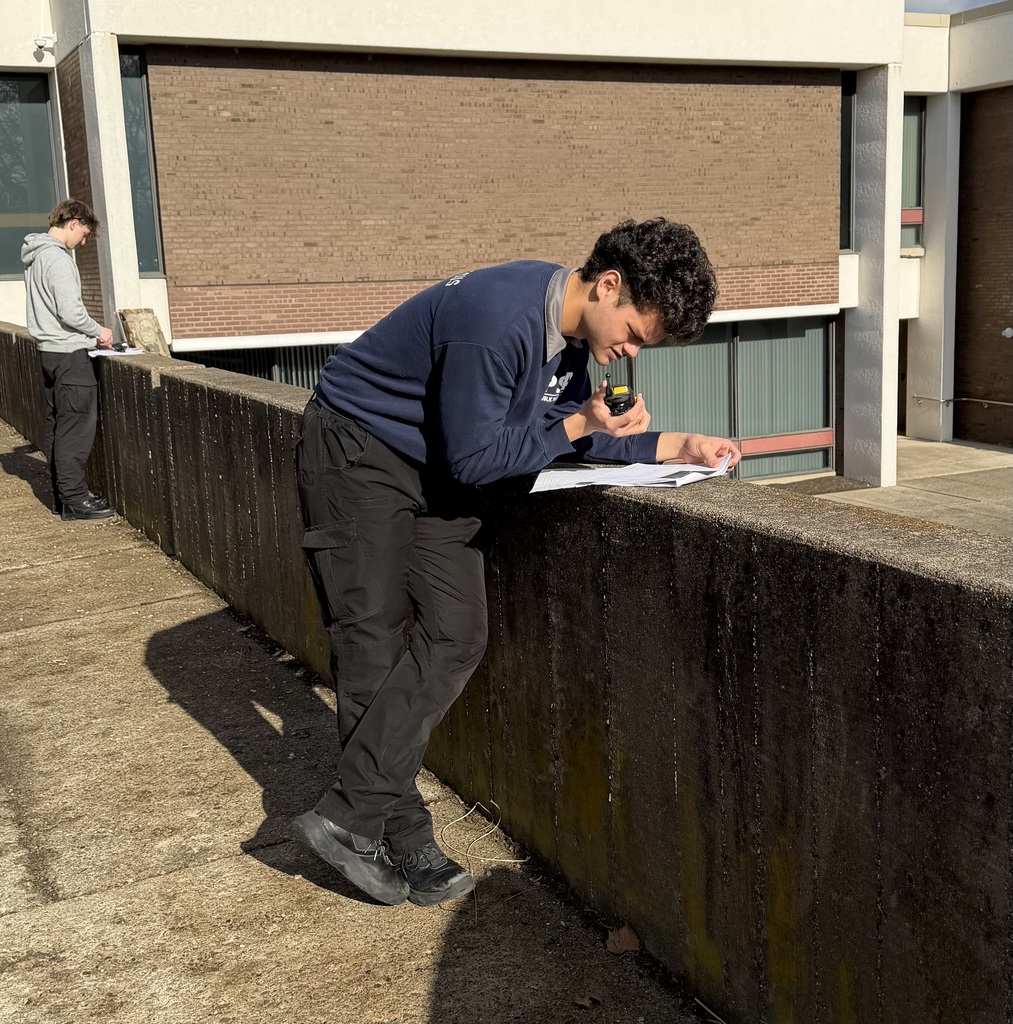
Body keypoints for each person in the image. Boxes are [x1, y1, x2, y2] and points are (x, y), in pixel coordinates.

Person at [292, 217, 741, 906]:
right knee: (371, 648)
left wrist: (675, 446)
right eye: (632, 335)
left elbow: (549, 440)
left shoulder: (568, 350)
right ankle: (387, 831)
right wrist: (581, 422)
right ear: (608, 285)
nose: (626, 354)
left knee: (456, 633)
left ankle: (356, 818)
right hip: (360, 453)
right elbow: (484, 457)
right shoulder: (497, 320)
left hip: (438, 473)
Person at [22, 199, 116, 521]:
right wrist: (99, 331)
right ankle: (75, 501)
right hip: (69, 354)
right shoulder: (58, 259)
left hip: (48, 352)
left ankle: (62, 498)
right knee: (75, 429)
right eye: (85, 234)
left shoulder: (34, 257)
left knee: (56, 428)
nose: (84, 242)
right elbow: (71, 312)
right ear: (73, 222)